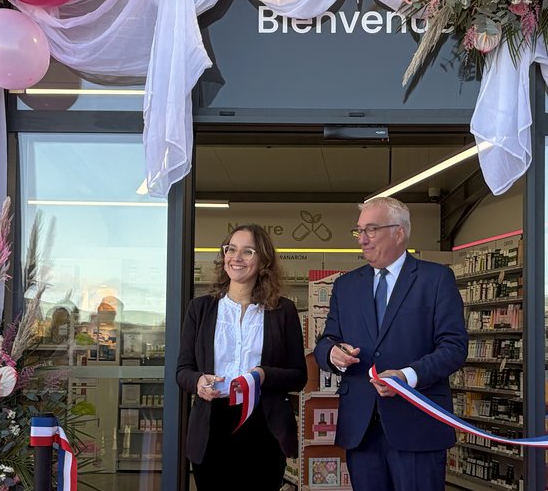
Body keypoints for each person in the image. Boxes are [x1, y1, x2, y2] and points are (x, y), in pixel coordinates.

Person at [315, 197, 468, 491]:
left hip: (417, 425)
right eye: (358, 231)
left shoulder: (435, 279)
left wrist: (407, 376)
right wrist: (333, 353)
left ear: (399, 232)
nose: (361, 239)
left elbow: (454, 346)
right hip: (361, 428)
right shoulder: (346, 286)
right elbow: (326, 341)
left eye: (370, 230)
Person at [176, 224, 307, 490]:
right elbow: (182, 370)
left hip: (264, 426)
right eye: (231, 249)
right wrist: (198, 382)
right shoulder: (200, 308)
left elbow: (299, 376)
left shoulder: (282, 311)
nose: (236, 257)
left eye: (248, 251)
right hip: (212, 427)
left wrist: (263, 375)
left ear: (263, 261)